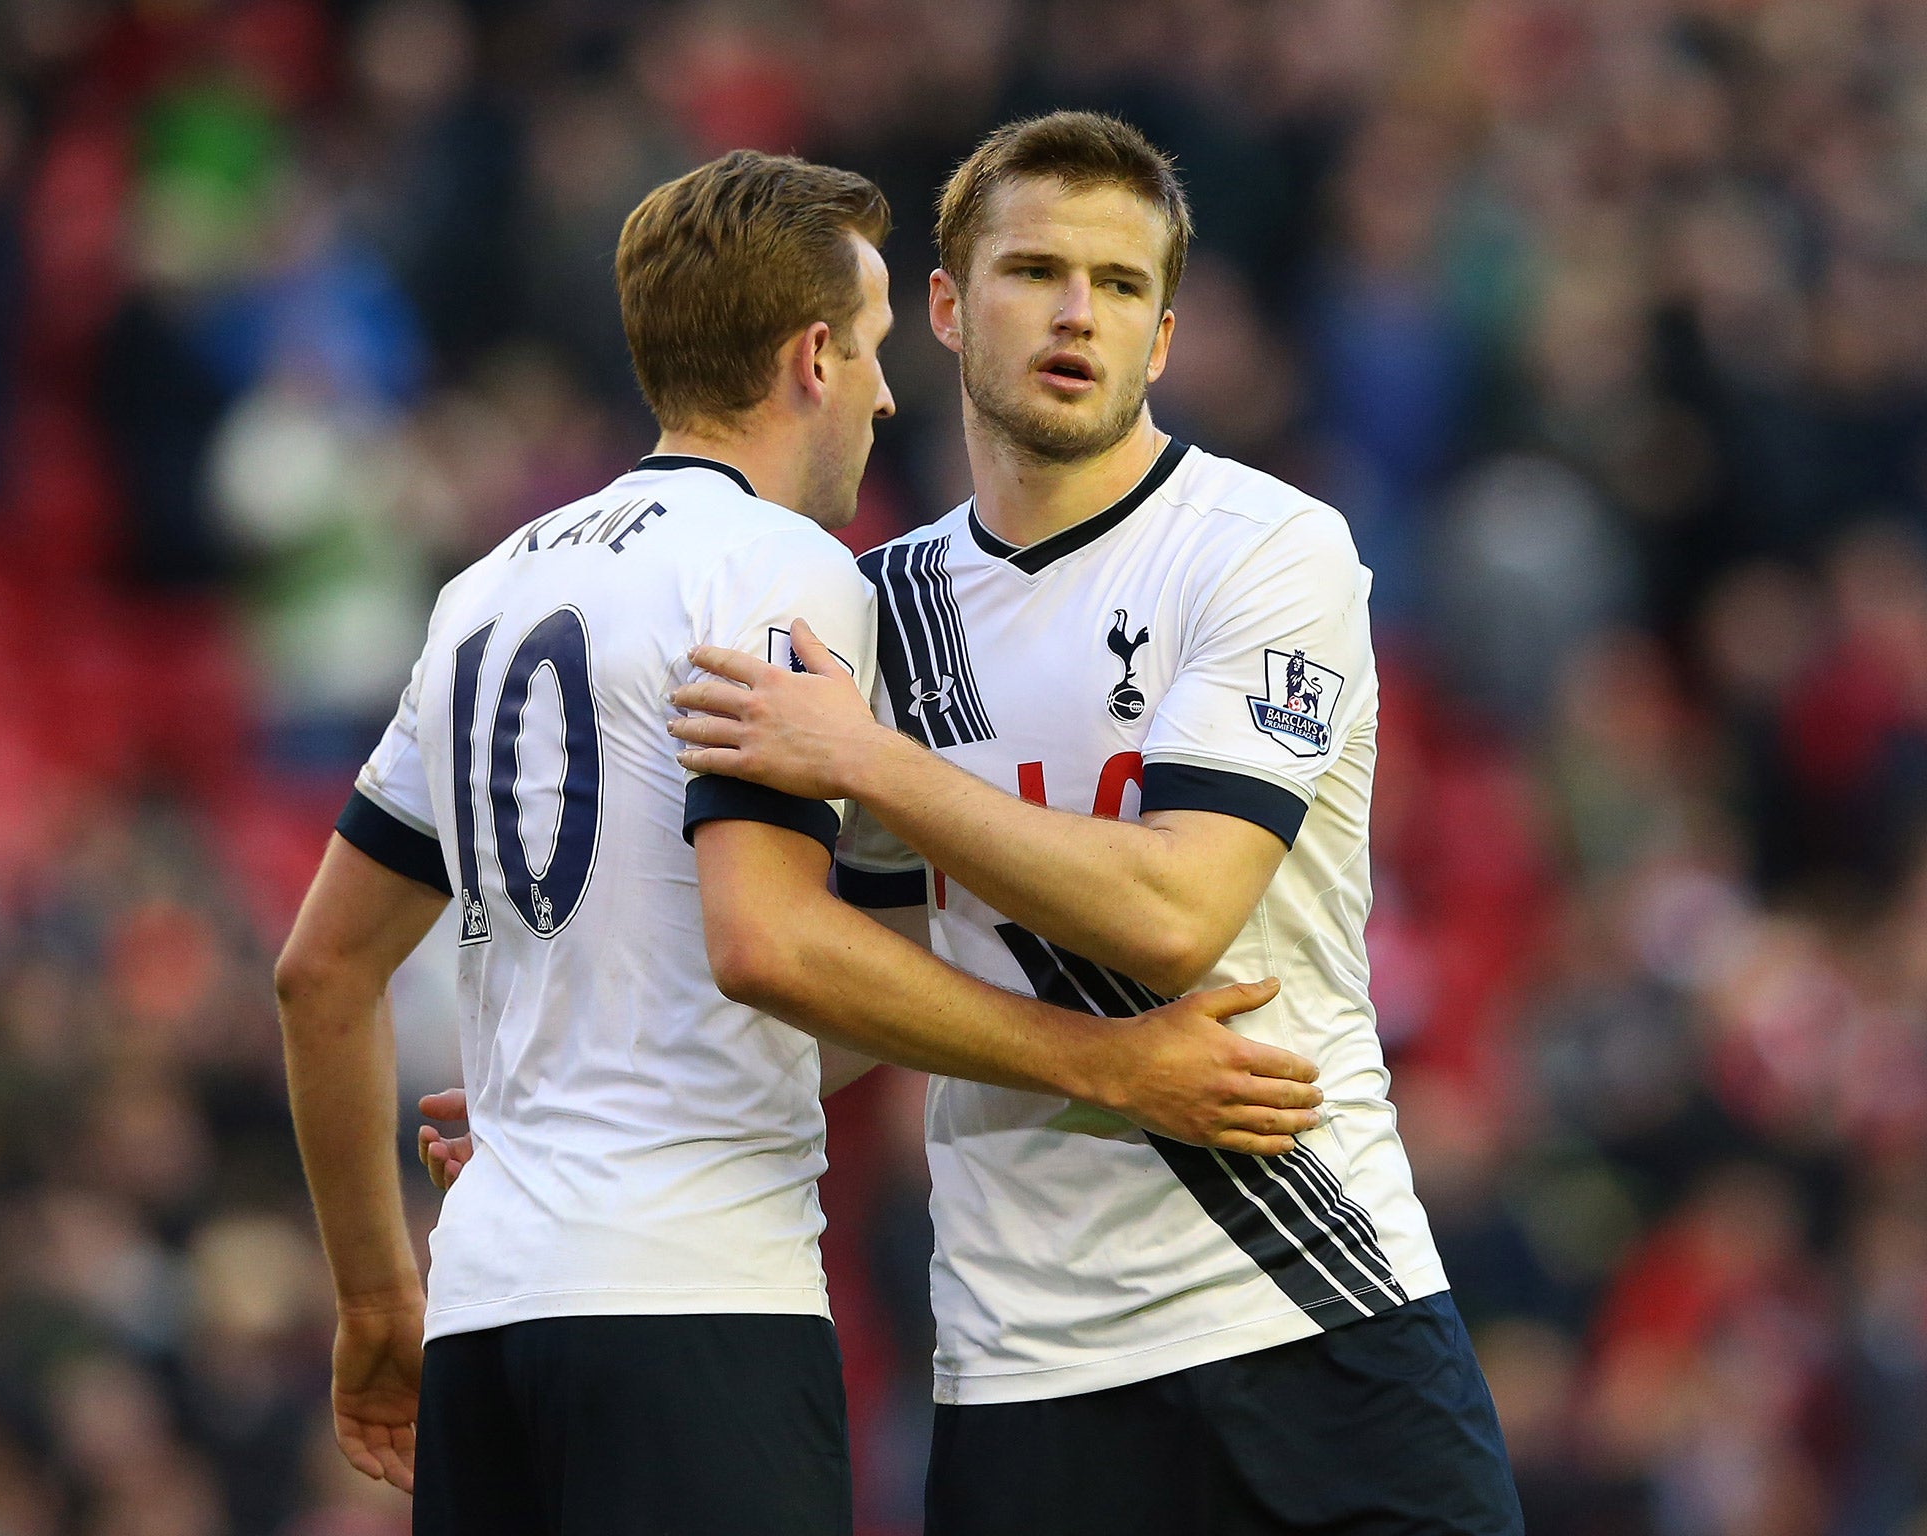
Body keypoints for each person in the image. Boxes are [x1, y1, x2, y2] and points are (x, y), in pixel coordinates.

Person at [275, 148, 1323, 1536]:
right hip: (692, 1309)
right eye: (882, 348)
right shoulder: (779, 567)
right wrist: (1113, 1063)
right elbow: (767, 941)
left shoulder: (483, 589)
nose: (895, 395)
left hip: (485, 1320)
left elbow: (321, 975)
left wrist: (374, 1302)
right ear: (813, 358)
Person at [660, 113, 1527, 1535]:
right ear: (943, 306)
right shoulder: (873, 616)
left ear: (1166, 337)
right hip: (1027, 1369)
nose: (1078, 314)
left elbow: (1175, 914)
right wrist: (574, 1095)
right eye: (1037, 271)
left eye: (1122, 287)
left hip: (1313, 1308)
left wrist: (873, 763)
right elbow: (842, 1010)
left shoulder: (1267, 548)